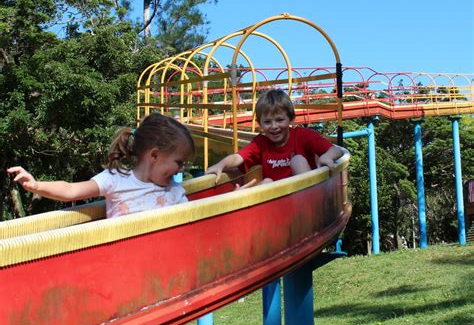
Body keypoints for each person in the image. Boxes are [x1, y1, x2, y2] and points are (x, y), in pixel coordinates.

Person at [8, 113, 195, 218]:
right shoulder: (116, 179)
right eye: (179, 162)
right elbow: (71, 190)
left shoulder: (175, 192)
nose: (180, 169)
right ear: (154, 155)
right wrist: (36, 185)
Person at [206, 88, 343, 184]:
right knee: (266, 181)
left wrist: (326, 156)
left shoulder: (302, 136)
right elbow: (238, 157)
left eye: (279, 120)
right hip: (278, 202)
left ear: (291, 119)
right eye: (267, 122)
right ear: (259, 123)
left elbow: (337, 150)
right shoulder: (261, 143)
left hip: (305, 194)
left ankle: (308, 212)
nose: (274, 126)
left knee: (297, 160)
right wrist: (222, 164)